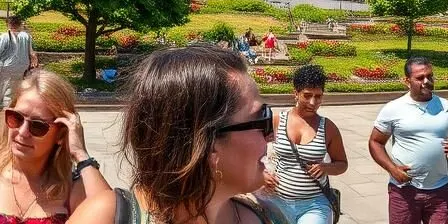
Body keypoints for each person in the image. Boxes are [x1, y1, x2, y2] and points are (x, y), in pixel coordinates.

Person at [69, 45, 282, 224]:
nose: (271, 135)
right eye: (262, 117)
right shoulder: (104, 217)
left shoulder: (267, 217)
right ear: (206, 141)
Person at [369, 57, 448, 224]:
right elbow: (375, 142)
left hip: (440, 191)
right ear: (407, 81)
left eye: (430, 76)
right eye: (420, 78)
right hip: (404, 191)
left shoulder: (446, 107)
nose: (427, 81)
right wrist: (392, 169)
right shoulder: (393, 108)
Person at [0, 70, 109, 223]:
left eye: (38, 126)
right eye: (16, 118)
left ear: (60, 134)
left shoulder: (73, 190)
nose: (22, 132)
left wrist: (81, 154)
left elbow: (110, 212)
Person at [260, 65, 349, 224]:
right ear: (296, 93)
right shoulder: (277, 121)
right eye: (307, 95)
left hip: (314, 204)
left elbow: (342, 164)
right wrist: (262, 173)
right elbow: (254, 153)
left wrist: (326, 168)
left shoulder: (328, 128)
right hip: (276, 202)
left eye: (318, 96)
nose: (313, 102)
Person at [0, 17, 38, 107]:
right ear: (19, 24)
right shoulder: (27, 36)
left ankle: (4, 108)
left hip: (6, 66)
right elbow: (31, 53)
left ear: (8, 24)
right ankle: (8, 109)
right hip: (21, 67)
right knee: (11, 90)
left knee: (3, 88)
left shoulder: (5, 36)